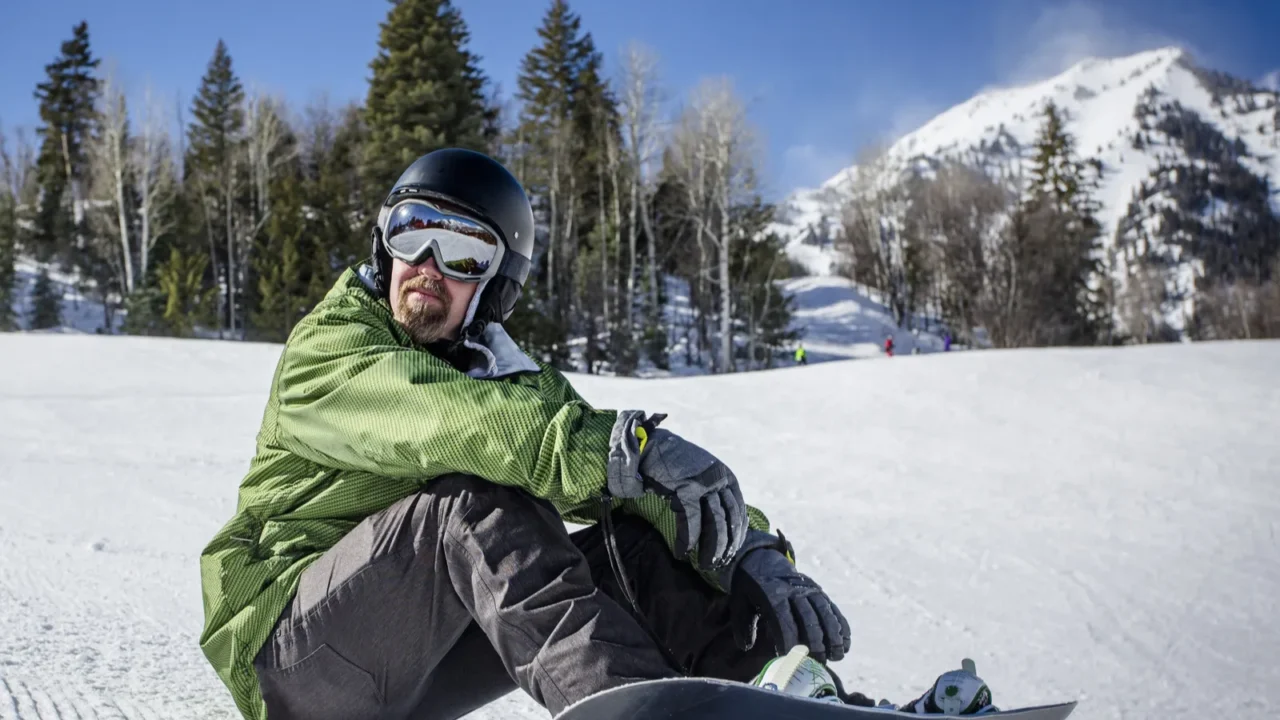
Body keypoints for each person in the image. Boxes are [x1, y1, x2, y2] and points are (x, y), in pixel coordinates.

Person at [199, 149, 994, 720]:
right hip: (290, 661)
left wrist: (747, 550)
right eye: (413, 235)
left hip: (412, 668)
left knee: (638, 546)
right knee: (469, 504)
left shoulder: (502, 377)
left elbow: (612, 471)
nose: (427, 266)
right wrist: (626, 453)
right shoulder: (333, 346)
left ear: (497, 284)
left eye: (464, 252)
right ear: (384, 244)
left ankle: (781, 707)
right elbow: (453, 423)